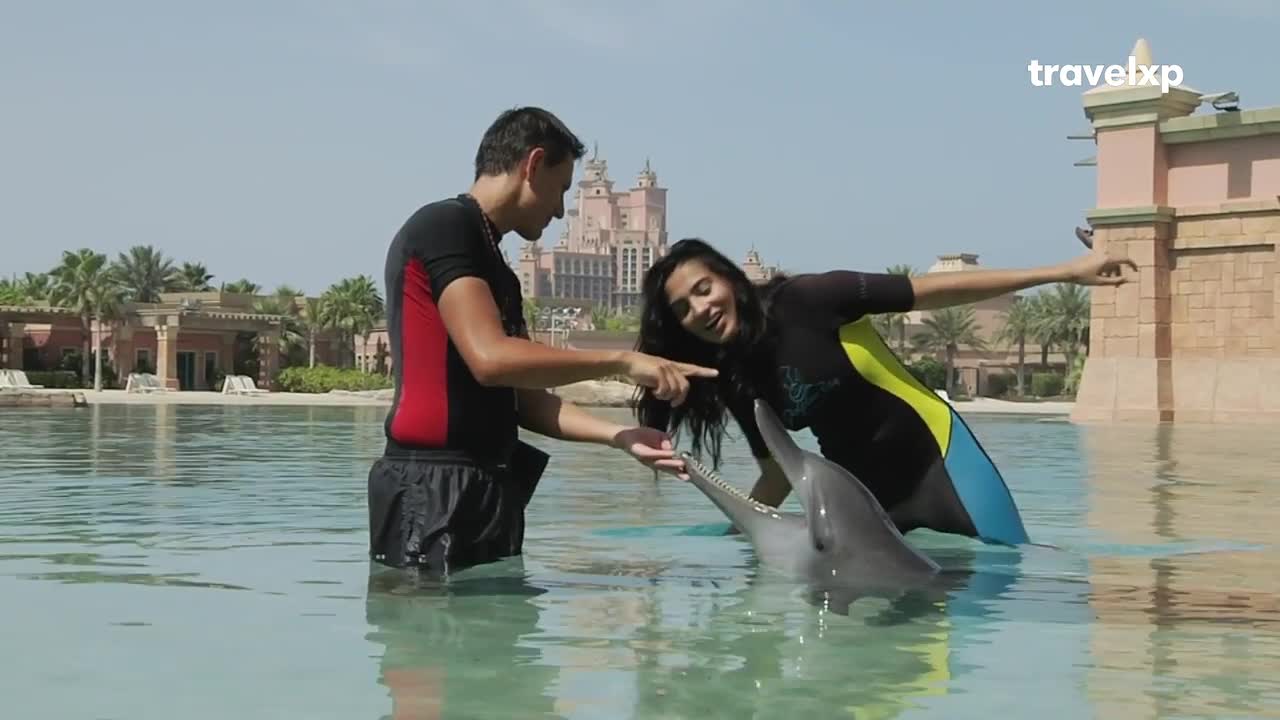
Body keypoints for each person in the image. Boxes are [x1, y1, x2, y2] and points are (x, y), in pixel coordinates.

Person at [368, 107, 717, 576]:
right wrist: (623, 361)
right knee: (429, 637)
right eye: (562, 188)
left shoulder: (499, 269)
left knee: (492, 643)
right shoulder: (446, 226)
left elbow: (529, 404)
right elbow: (490, 359)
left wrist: (622, 437)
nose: (559, 208)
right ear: (532, 165)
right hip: (432, 484)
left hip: (485, 484)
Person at [634, 237, 1137, 546]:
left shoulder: (811, 299)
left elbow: (934, 292)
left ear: (730, 278)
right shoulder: (736, 377)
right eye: (682, 308)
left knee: (998, 582)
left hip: (944, 464)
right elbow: (776, 473)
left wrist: (1064, 272)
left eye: (703, 289)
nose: (699, 309)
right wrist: (741, 534)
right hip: (871, 503)